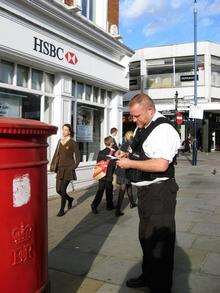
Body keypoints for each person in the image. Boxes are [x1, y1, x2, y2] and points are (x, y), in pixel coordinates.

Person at [117, 94, 180, 293]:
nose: (133, 120)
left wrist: (130, 163)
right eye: (132, 116)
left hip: (160, 192)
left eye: (136, 116)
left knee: (160, 243)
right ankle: (148, 276)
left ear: (150, 111)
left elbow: (161, 164)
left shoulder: (164, 130)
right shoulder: (142, 127)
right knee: (145, 237)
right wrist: (125, 154)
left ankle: (161, 287)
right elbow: (139, 151)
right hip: (145, 191)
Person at [50, 124, 80, 217]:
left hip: (68, 169)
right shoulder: (60, 141)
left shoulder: (73, 142)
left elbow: (78, 158)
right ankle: (70, 199)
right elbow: (56, 154)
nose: (63, 132)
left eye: (66, 130)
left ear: (69, 131)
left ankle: (62, 210)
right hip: (60, 168)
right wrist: (53, 166)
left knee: (63, 190)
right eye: (63, 130)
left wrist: (73, 167)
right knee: (58, 190)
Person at [91, 136, 116, 214]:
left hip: (101, 174)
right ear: (111, 143)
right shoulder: (113, 153)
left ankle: (94, 205)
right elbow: (113, 164)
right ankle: (109, 206)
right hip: (108, 174)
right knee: (109, 190)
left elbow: (98, 163)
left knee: (100, 190)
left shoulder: (101, 152)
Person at [115, 131, 137, 217]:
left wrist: (120, 155)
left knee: (128, 186)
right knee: (123, 189)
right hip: (125, 168)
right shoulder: (131, 144)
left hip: (123, 168)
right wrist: (125, 155)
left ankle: (132, 203)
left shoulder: (125, 144)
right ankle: (118, 210)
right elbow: (120, 154)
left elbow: (117, 154)